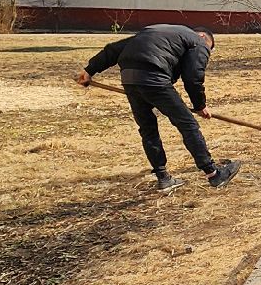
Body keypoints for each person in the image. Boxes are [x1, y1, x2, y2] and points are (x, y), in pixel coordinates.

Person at [78, 24, 241, 192]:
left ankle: (163, 178)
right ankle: (214, 174)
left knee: (148, 128)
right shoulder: (198, 42)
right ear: (202, 36)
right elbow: (193, 76)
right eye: (209, 48)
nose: (207, 51)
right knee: (187, 124)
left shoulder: (158, 32)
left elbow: (113, 50)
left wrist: (90, 70)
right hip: (154, 77)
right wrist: (200, 105)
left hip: (130, 79)